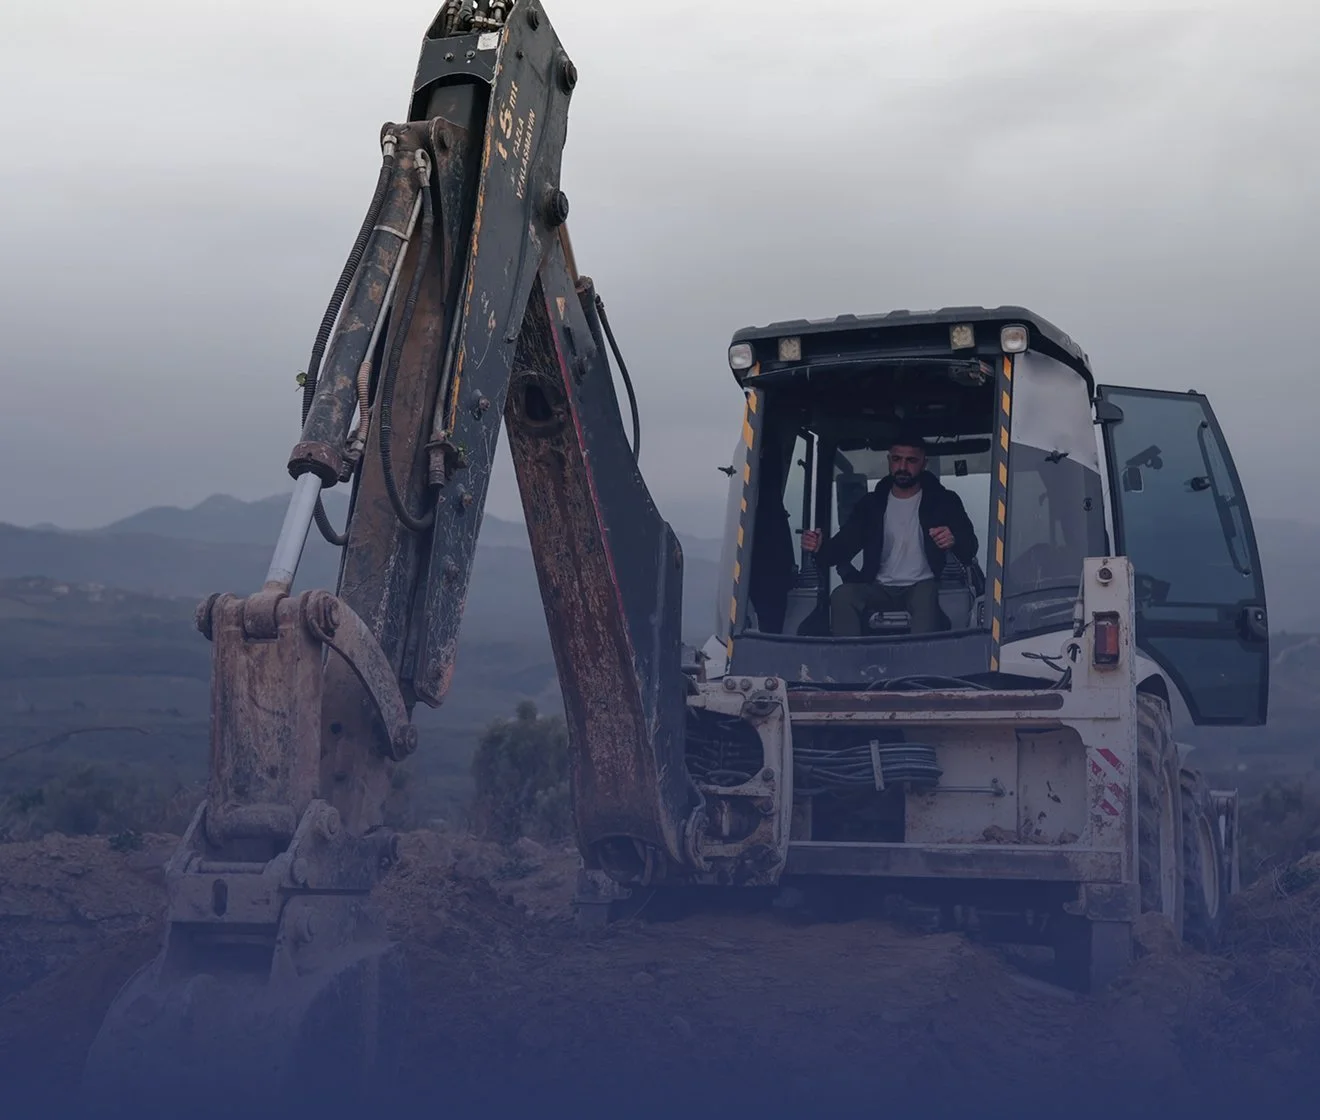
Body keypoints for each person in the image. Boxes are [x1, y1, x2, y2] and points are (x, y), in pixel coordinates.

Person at [801, 434, 979, 636]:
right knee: (842, 596)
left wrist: (953, 539)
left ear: (924, 464)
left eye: (911, 460)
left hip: (926, 583)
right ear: (889, 461)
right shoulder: (871, 505)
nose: (903, 466)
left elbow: (970, 548)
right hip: (879, 587)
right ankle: (848, 663)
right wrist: (817, 547)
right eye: (896, 459)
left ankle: (921, 664)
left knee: (926, 596)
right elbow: (842, 547)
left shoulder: (945, 501)